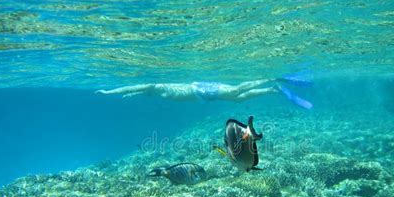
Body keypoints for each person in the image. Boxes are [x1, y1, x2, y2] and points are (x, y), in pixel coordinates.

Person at [96, 75, 313, 108]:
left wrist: (110, 92)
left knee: (236, 90)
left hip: (201, 89)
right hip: (202, 95)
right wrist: (131, 96)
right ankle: (272, 89)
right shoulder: (154, 90)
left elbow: (137, 87)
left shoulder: (155, 87)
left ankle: (274, 78)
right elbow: (140, 91)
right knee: (237, 100)